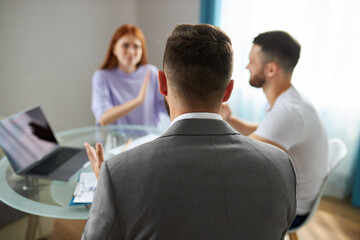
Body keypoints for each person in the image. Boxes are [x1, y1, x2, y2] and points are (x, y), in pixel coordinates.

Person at [82, 24, 297, 240]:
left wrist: (111, 192)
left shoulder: (117, 174)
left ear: (162, 84)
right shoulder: (282, 165)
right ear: (227, 92)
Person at [220, 30, 328, 229]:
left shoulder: (288, 113)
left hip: (292, 211)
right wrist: (230, 119)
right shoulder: (290, 100)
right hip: (295, 194)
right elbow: (264, 131)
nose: (247, 66)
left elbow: (240, 156)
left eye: (252, 61)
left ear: (271, 69)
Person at [91, 24, 168, 127]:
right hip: (117, 142)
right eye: (126, 45)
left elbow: (166, 108)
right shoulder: (102, 77)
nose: (131, 51)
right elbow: (103, 119)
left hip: (149, 140)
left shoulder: (151, 72)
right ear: (114, 48)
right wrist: (137, 101)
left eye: (136, 47)